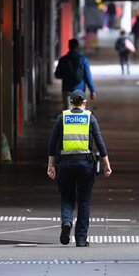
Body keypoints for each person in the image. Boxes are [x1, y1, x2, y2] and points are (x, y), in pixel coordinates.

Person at [47, 89, 112, 247]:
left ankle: (67, 222)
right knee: (84, 200)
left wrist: (50, 165)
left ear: (70, 102)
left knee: (67, 197)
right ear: (84, 103)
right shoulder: (90, 118)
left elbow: (52, 143)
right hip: (85, 165)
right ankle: (81, 239)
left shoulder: (62, 117)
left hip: (65, 164)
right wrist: (106, 165)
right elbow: (100, 143)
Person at [54, 38, 97, 110]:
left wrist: (66, 74)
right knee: (80, 112)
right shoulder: (83, 59)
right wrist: (92, 90)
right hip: (80, 90)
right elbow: (87, 76)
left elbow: (57, 75)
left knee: (68, 112)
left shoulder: (63, 59)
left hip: (67, 90)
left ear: (69, 47)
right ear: (78, 47)